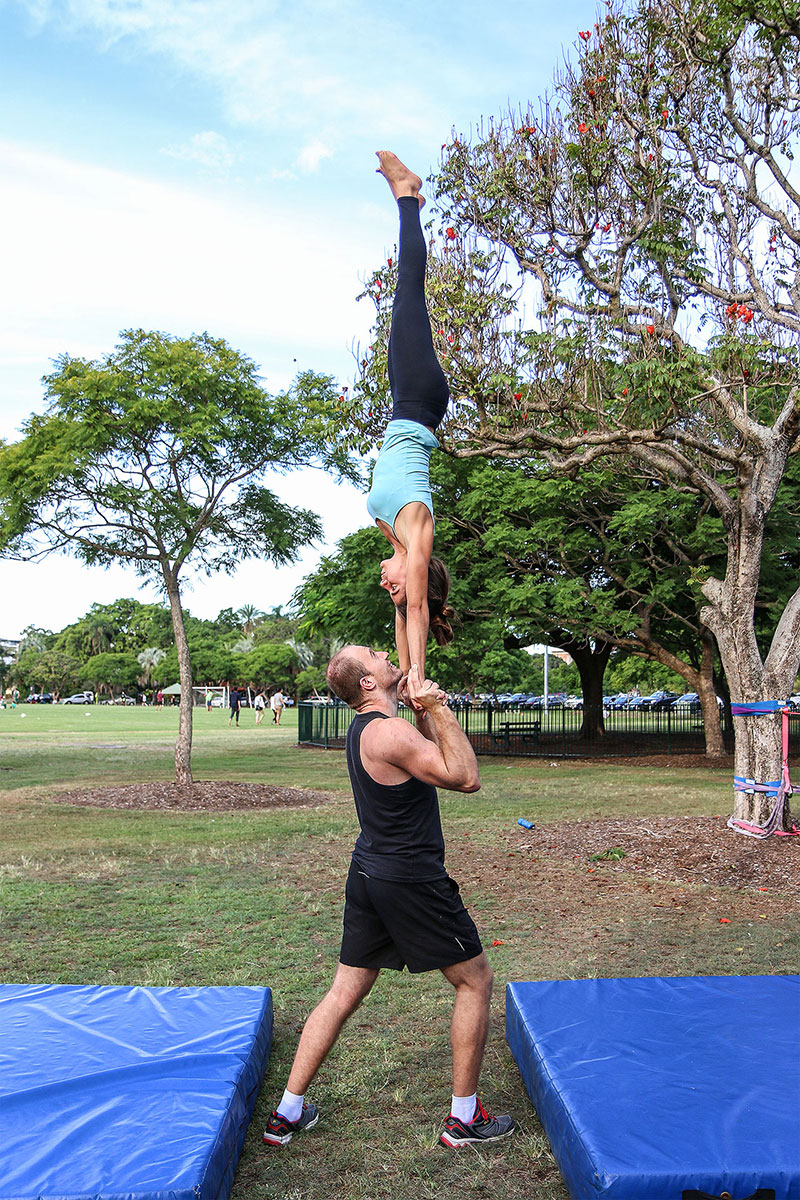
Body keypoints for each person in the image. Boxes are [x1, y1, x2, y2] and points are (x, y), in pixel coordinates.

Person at [262, 646, 514, 1150]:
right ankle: (464, 1119)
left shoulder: (368, 728)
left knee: (343, 992)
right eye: (375, 656)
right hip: (409, 878)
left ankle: (286, 1114)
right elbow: (465, 776)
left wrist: (420, 706)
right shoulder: (388, 731)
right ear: (368, 684)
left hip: (369, 872)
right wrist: (438, 706)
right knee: (475, 980)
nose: (384, 653)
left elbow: (408, 640)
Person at [368, 151, 456, 682]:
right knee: (407, 291)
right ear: (419, 575)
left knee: (403, 300)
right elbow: (417, 608)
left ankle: (410, 201)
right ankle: (408, 197)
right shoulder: (417, 532)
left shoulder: (393, 534)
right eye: (397, 585)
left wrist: (403, 677)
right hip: (420, 403)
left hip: (407, 403)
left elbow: (405, 615)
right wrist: (421, 676)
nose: (388, 584)